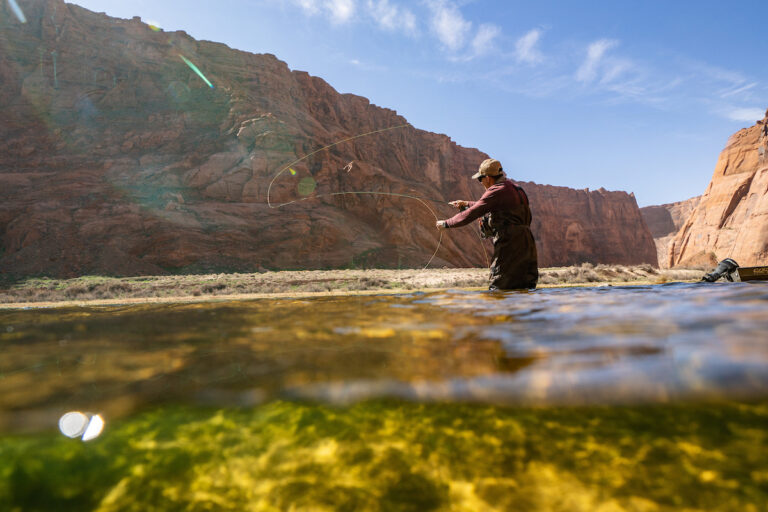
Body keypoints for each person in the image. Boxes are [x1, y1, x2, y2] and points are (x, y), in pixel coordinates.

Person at [436, 159, 538, 290]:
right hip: (527, 244)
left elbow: (473, 213)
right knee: (526, 288)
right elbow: (492, 204)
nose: (481, 183)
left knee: (499, 288)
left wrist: (446, 223)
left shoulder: (497, 190)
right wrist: (466, 203)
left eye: (480, 179)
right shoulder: (516, 188)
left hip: (509, 244)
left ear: (488, 178)